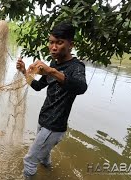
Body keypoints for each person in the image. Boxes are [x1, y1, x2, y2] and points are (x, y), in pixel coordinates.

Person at [16, 21, 88, 178]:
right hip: (43, 121)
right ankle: (50, 172)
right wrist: (24, 72)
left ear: (71, 45)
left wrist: (51, 71)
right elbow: (37, 86)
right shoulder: (53, 63)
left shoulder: (76, 67)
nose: (53, 47)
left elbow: (81, 87)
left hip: (54, 127)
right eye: (51, 42)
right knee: (44, 157)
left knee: (29, 160)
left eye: (59, 43)